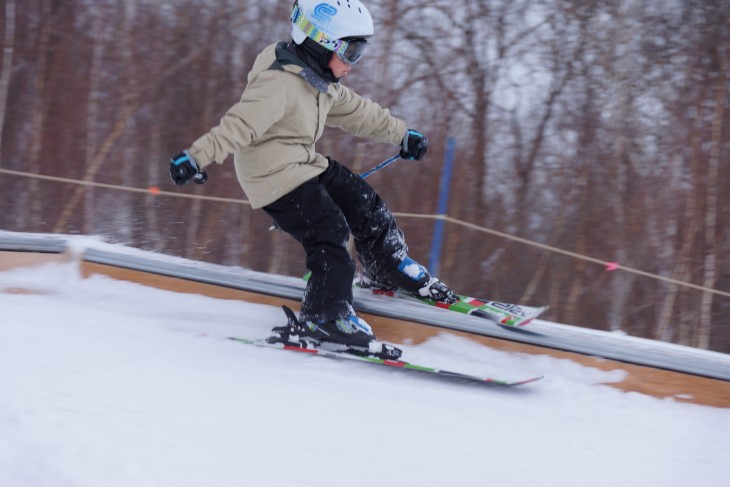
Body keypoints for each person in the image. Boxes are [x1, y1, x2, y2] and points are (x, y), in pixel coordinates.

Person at [170, 0, 456, 350]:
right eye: (351, 51)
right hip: (270, 175)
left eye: (359, 52)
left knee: (359, 197)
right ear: (321, 43)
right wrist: (196, 157)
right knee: (330, 230)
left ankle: (387, 265)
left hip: (300, 162)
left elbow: (358, 112)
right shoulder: (279, 85)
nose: (353, 63)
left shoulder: (319, 81)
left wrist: (401, 134)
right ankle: (323, 314)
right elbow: (238, 126)